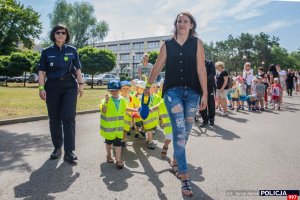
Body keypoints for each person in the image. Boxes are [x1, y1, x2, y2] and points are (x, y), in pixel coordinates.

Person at [144, 12, 207, 197]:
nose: (182, 23)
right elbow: (157, 66)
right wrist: (148, 85)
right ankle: (185, 177)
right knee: (179, 130)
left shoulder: (197, 43)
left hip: (194, 92)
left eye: (185, 21)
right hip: (172, 92)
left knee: (186, 130)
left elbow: (201, 68)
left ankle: (174, 160)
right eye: (179, 21)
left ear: (191, 25)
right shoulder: (167, 44)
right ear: (176, 24)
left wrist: (204, 93)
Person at [38, 24, 84, 163]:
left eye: (63, 33)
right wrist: (41, 88)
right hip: (52, 86)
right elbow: (42, 71)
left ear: (66, 35)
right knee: (54, 119)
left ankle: (69, 152)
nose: (60, 35)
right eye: (58, 32)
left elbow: (77, 69)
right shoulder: (46, 52)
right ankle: (57, 148)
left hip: (69, 86)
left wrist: (81, 85)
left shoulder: (72, 50)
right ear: (54, 35)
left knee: (69, 118)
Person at [100, 80, 138, 169]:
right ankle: (108, 155)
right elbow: (104, 110)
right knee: (108, 143)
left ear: (119, 90)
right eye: (112, 90)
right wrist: (105, 102)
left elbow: (126, 108)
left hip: (118, 128)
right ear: (109, 91)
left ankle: (118, 160)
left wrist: (136, 110)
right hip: (109, 128)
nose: (114, 92)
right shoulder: (105, 100)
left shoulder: (122, 100)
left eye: (116, 90)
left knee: (118, 144)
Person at [199, 60, 216, 127]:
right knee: (201, 103)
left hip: (209, 86)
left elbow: (213, 73)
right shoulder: (197, 63)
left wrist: (204, 80)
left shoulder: (210, 63)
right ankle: (205, 120)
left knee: (210, 103)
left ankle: (211, 119)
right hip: (199, 87)